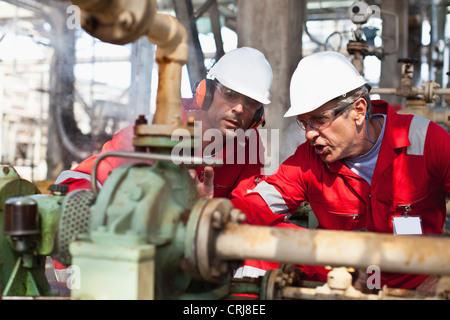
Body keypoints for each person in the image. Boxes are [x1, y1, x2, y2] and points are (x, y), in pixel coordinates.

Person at [230, 51, 450, 291]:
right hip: (342, 284)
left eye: (319, 120)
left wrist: (441, 276)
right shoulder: (308, 161)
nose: (309, 133)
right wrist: (206, 216)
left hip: (418, 287)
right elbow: (252, 208)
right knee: (252, 252)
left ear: (358, 110)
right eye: (304, 123)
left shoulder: (426, 142)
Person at [50, 47, 274, 282]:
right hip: (124, 238)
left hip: (189, 248)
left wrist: (207, 213)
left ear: (257, 115)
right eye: (229, 94)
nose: (239, 108)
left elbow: (245, 209)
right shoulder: (164, 122)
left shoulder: (249, 144)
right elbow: (95, 176)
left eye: (250, 103)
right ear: (205, 93)